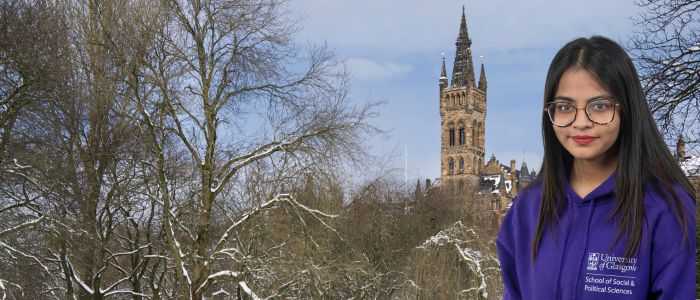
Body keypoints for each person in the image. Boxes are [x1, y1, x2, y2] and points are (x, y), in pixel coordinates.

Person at [496, 36, 696, 299]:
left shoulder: (667, 210)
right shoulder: (526, 209)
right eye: (565, 106)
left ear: (627, 109)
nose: (581, 122)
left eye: (599, 106)